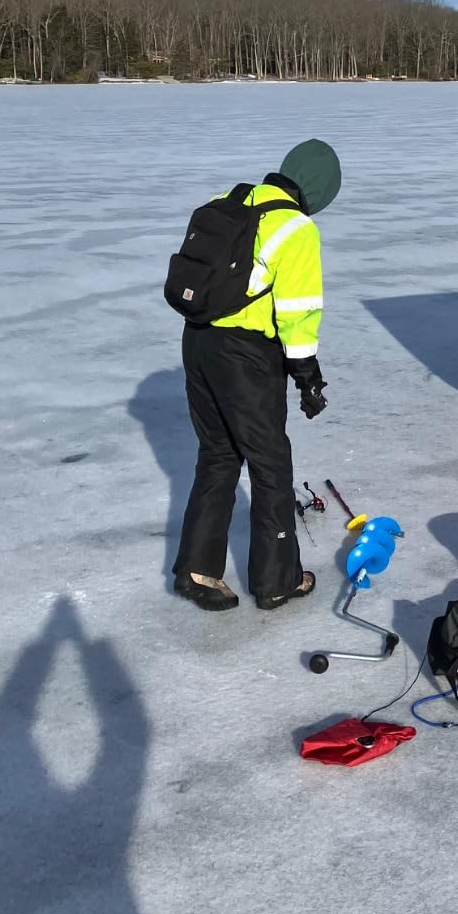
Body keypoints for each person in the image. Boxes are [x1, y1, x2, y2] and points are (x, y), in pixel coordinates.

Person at [172, 139, 341, 612]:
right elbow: (297, 312)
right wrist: (307, 377)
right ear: (318, 190)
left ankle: (196, 570)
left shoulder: (231, 200)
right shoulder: (296, 227)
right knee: (270, 465)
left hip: (197, 342)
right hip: (244, 357)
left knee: (219, 455)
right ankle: (277, 580)